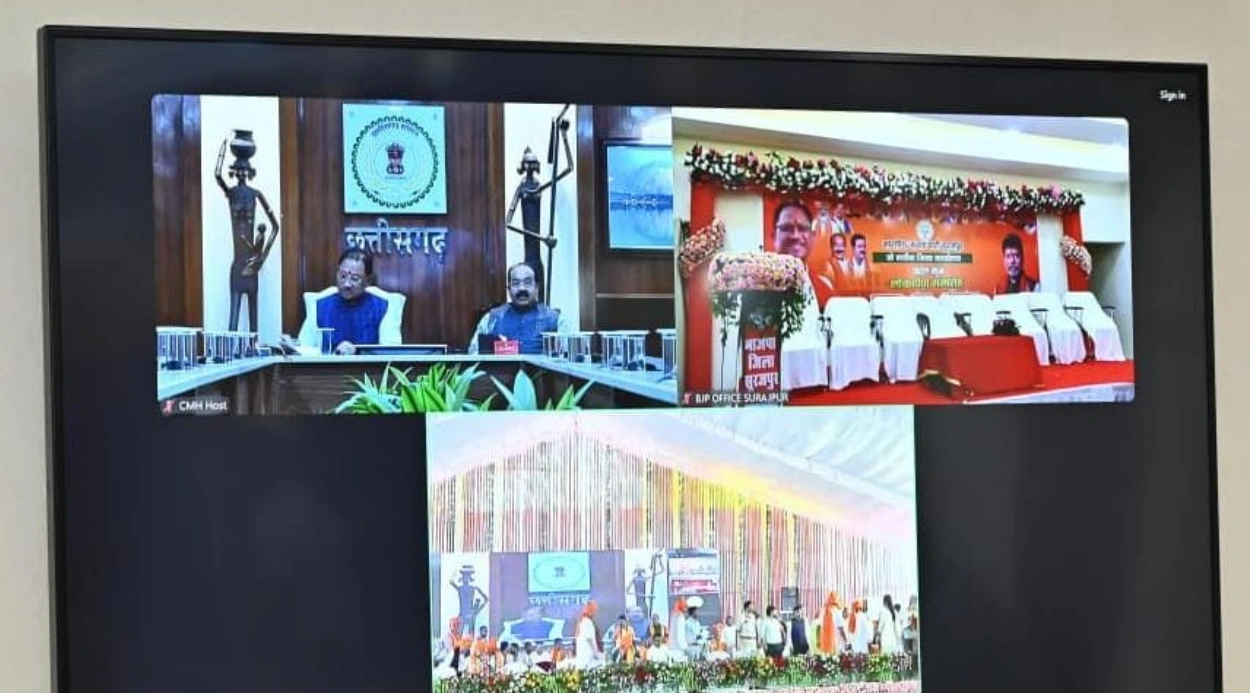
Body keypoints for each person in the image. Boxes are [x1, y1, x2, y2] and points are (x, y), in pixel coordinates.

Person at [468, 263, 571, 354]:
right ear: (509, 289)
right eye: (516, 283)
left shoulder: (555, 320)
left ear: (536, 288)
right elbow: (474, 354)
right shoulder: (491, 318)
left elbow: (568, 357)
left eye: (528, 282)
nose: (522, 288)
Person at [305, 248, 391, 355]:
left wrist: (357, 351)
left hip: (368, 365)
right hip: (327, 365)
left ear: (368, 280)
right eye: (343, 276)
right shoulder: (320, 306)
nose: (347, 284)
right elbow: (305, 348)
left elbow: (390, 353)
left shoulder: (383, 308)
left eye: (354, 278)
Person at [772, 200, 835, 311]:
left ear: (812, 237)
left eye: (802, 228)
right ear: (774, 237)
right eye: (786, 228)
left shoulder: (824, 288)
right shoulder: (756, 287)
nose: (795, 236)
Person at [574, 600, 603, 668]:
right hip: (587, 656)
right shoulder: (586, 622)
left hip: (586, 656)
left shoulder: (584, 621)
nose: (595, 613)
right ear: (590, 610)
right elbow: (589, 639)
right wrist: (596, 653)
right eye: (594, 610)